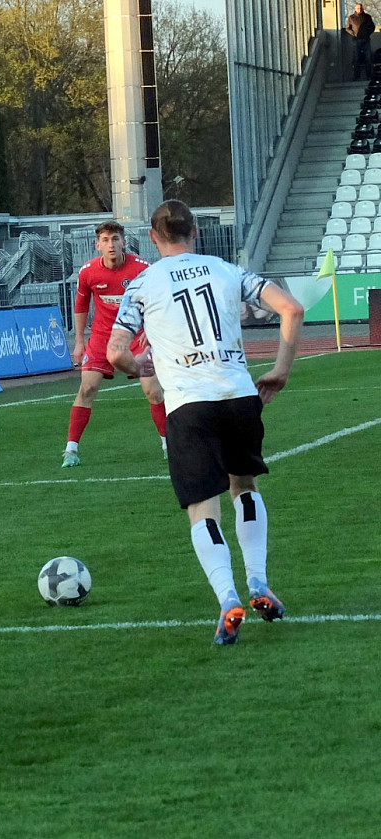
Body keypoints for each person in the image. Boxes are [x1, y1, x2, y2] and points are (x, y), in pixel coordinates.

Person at [106, 200, 304, 646]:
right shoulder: (227, 270)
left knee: (202, 506)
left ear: (152, 238)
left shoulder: (142, 284)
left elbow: (115, 352)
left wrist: (140, 368)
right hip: (238, 396)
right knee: (245, 486)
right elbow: (290, 308)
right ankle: (258, 580)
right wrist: (280, 371)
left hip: (189, 406)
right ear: (194, 232)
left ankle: (228, 598)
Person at [61, 221, 167, 468]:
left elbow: (158, 302)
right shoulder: (88, 272)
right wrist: (79, 341)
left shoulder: (142, 269)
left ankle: (168, 444)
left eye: (115, 239)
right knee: (87, 389)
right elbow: (81, 306)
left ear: (123, 243)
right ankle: (71, 450)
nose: (111, 245)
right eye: (106, 240)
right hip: (102, 337)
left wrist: (151, 331)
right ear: (97, 245)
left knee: (153, 391)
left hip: (135, 336)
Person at [346, 3, 376, 81]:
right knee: (356, 58)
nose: (359, 10)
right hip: (356, 40)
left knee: (368, 58)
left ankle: (369, 76)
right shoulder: (351, 18)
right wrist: (353, 34)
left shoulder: (367, 17)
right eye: (358, 8)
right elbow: (347, 28)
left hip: (366, 40)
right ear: (355, 9)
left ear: (362, 9)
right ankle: (357, 76)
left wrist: (368, 33)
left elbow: (372, 26)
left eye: (360, 8)